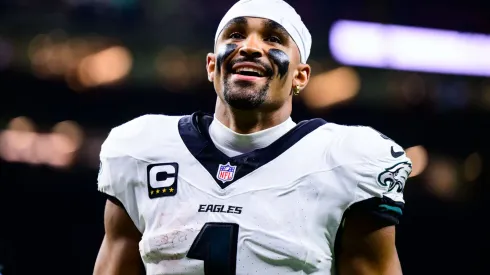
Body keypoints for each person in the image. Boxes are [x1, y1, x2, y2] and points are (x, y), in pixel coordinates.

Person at [93, 0, 412, 274]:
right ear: (211, 65)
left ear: (300, 76)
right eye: (235, 35)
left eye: (274, 39)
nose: (249, 47)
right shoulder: (142, 149)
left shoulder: (347, 161)